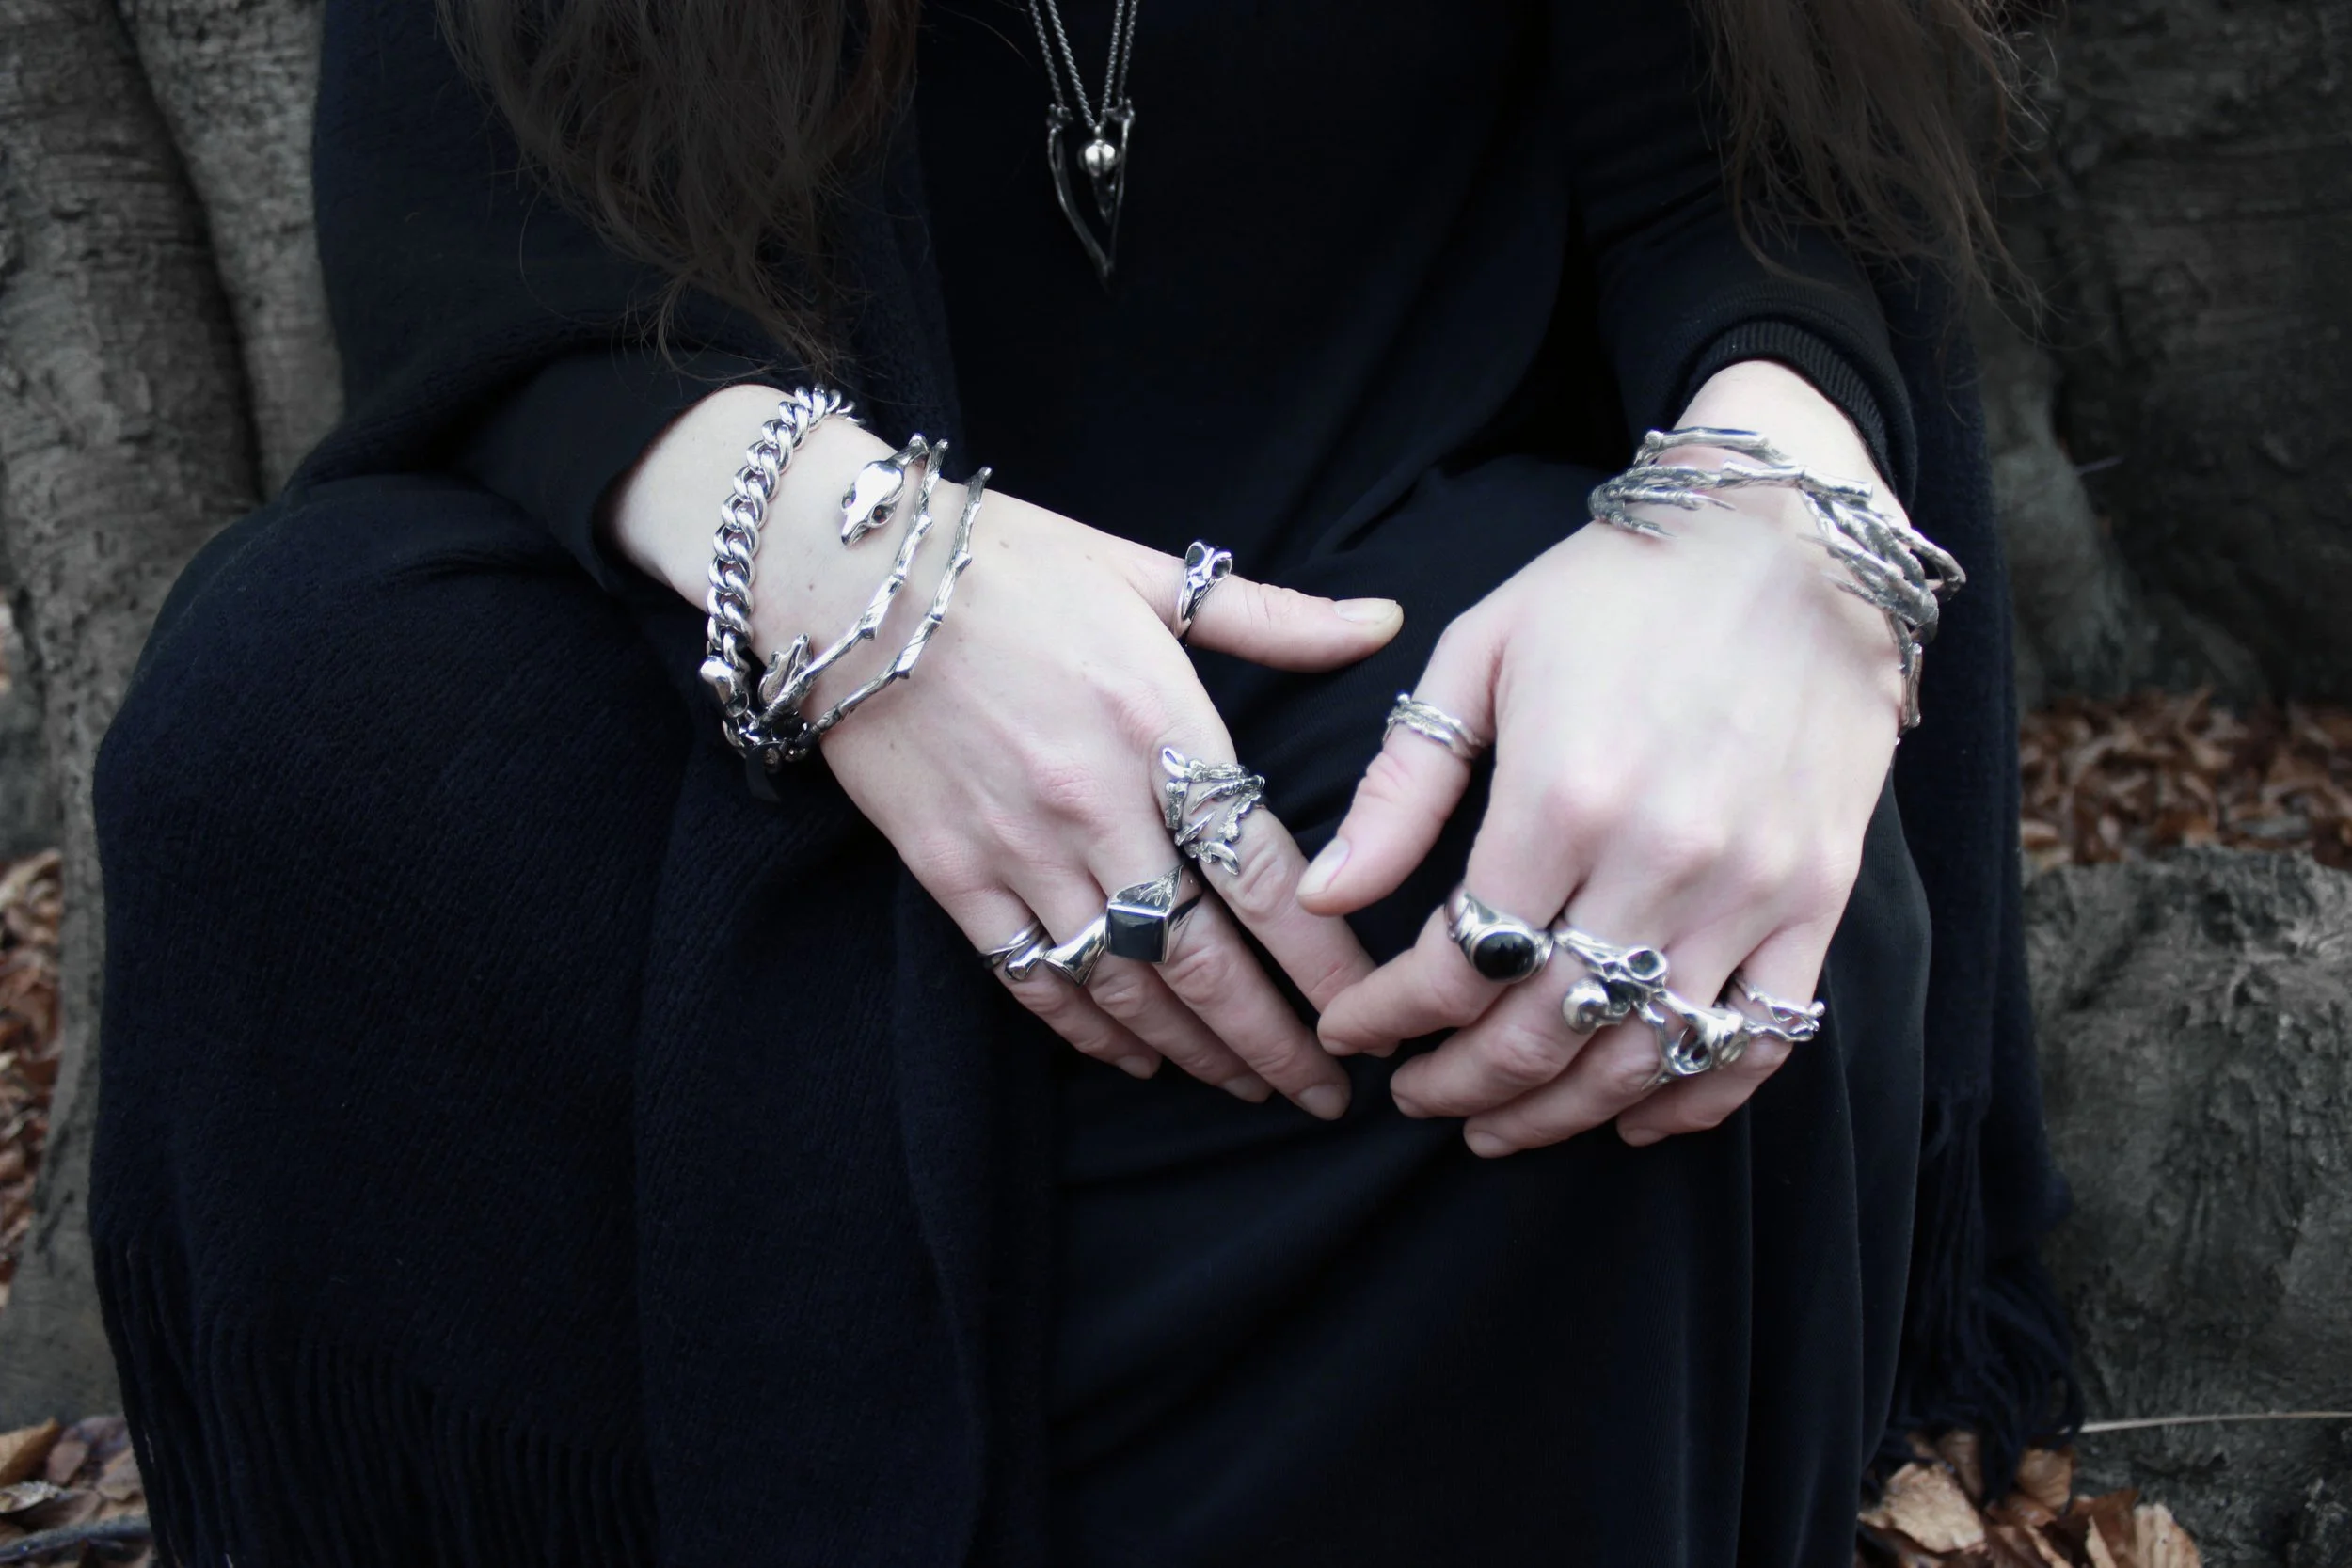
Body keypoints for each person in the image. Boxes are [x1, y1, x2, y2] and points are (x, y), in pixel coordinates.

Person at [88, 0, 2076, 1561]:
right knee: (290, 739)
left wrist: (1770, 522)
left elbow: (1745, 157)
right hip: (738, 598)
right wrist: (852, 573)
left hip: (1371, 579)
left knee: (1562, 882)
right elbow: (471, 236)